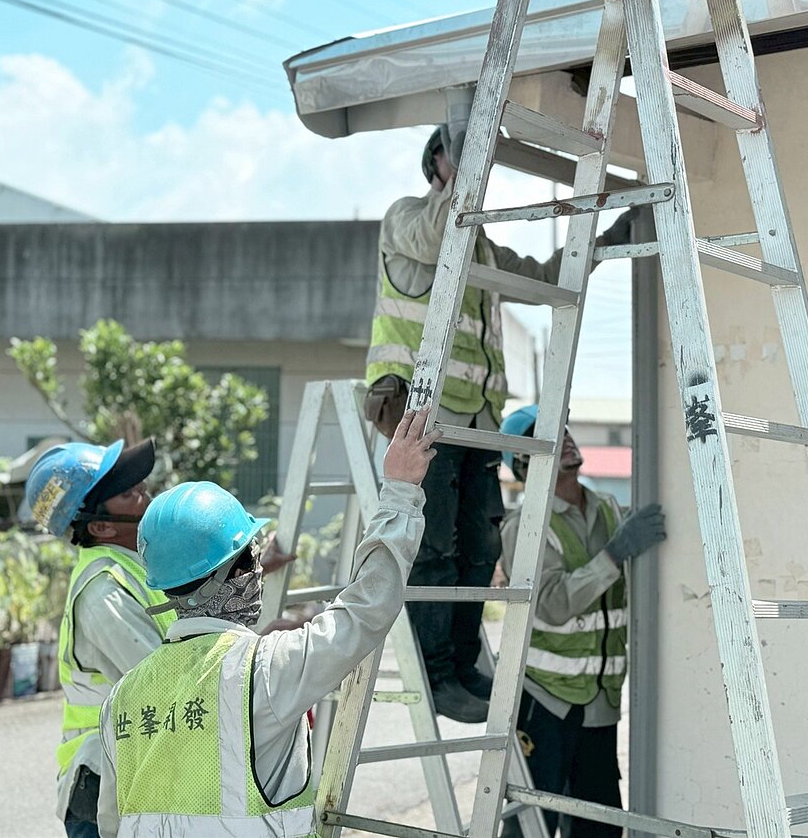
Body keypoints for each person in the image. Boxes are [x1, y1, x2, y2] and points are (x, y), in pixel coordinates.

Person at [363, 127, 637, 723]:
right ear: (435, 163)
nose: (474, 162)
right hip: (419, 412)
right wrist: (458, 173)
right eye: (459, 151)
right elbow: (438, 233)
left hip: (475, 421)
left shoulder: (483, 248)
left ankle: (462, 666)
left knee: (481, 546)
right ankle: (437, 674)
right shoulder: (406, 218)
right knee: (434, 547)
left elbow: (546, 277)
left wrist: (612, 236)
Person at [95, 408, 440, 838]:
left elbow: (111, 824)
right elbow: (367, 608)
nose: (259, 571)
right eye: (252, 559)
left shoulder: (121, 698)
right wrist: (400, 493)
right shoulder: (264, 671)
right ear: (233, 574)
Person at [497, 405, 666, 838]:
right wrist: (614, 554)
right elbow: (551, 603)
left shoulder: (607, 508)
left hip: (599, 700)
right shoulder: (526, 525)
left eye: (566, 430)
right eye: (549, 433)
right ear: (524, 463)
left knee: (600, 827)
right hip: (545, 700)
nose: (566, 438)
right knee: (533, 824)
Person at [27, 438, 175, 838]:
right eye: (129, 494)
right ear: (101, 526)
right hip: (104, 789)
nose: (146, 497)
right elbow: (170, 682)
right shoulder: (103, 592)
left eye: (141, 486)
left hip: (131, 778)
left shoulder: (138, 567)